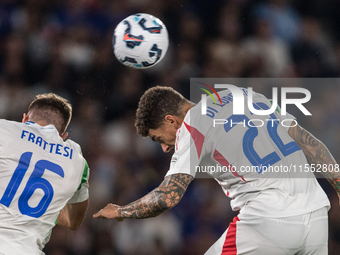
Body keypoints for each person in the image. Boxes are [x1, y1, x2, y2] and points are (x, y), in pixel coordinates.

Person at [94, 86, 338, 254]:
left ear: (171, 120)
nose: (166, 148)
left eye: (160, 139)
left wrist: (121, 212)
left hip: (269, 221)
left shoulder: (193, 122)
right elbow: (308, 141)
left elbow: (168, 197)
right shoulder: (244, 95)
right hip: (316, 216)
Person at [0, 93, 89, 255]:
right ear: (63, 136)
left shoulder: (4, 130)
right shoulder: (78, 160)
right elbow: (72, 221)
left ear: (25, 119)